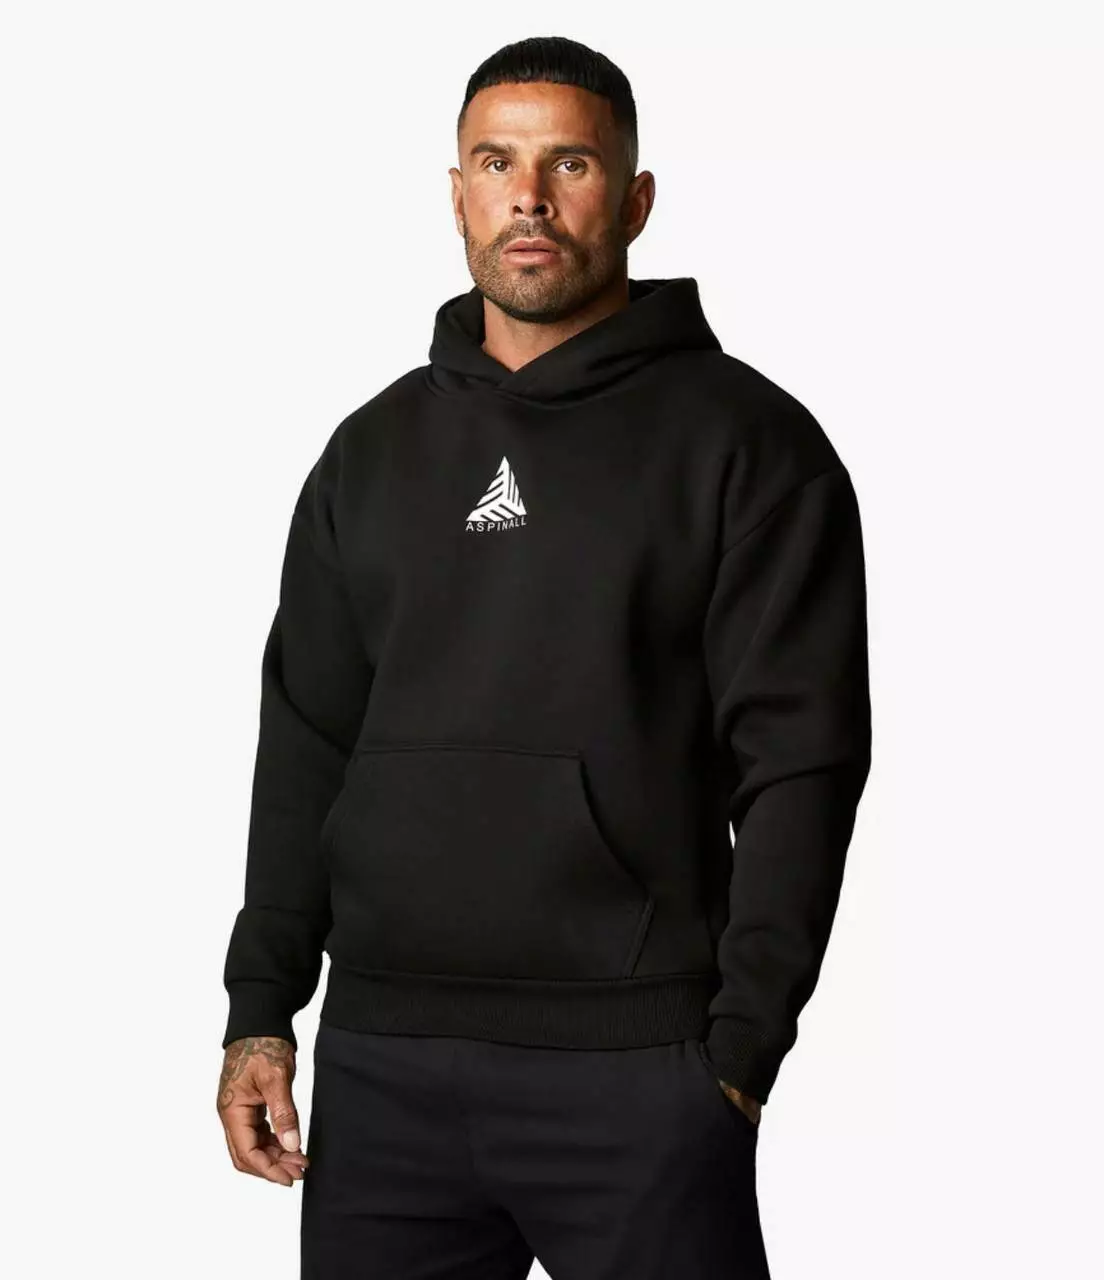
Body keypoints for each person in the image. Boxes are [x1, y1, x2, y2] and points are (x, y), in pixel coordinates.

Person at [216, 34, 871, 1280]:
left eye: (569, 163)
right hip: (385, 1067)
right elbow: (306, 743)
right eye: (495, 162)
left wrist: (740, 1051)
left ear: (634, 198)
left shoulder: (748, 445)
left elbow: (802, 762)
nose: (528, 196)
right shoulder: (369, 455)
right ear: (456, 192)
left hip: (636, 1068)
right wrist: (262, 1009)